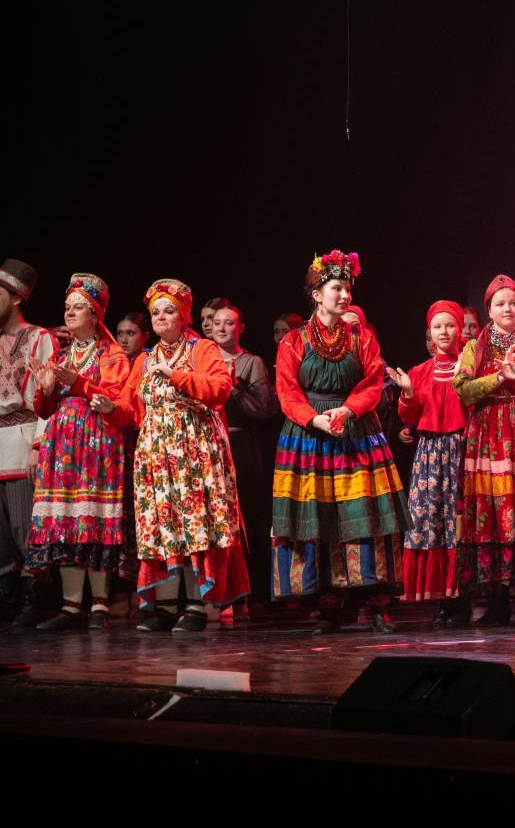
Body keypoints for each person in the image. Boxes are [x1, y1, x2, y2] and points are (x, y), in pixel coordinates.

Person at [271, 251, 408, 633]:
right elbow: (287, 390)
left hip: (356, 431)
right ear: (317, 295)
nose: (345, 295)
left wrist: (347, 411)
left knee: (364, 514)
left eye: (348, 289)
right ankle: (329, 604)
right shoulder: (293, 341)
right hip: (309, 436)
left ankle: (376, 603)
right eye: (337, 288)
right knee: (320, 518)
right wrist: (314, 418)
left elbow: (372, 384)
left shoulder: (361, 338)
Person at [106, 279, 251, 631]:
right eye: (155, 312)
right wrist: (108, 407)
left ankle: (199, 604)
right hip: (157, 454)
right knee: (165, 527)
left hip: (195, 451)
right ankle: (167, 606)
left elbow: (220, 388)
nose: (160, 317)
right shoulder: (145, 359)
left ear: (184, 316)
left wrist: (176, 375)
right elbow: (129, 406)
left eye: (168, 310)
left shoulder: (202, 349)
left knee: (195, 526)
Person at [22, 274, 130, 630]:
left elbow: (119, 400)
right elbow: (44, 410)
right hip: (61, 445)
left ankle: (99, 604)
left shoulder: (111, 354)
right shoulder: (61, 355)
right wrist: (46, 390)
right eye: (67, 307)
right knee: (65, 521)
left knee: (92, 520)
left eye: (78, 307)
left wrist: (79, 383)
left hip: (97, 444)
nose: (69, 312)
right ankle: (70, 606)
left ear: (95, 314)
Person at [453, 275, 515, 626]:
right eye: (500, 304)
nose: (508, 309)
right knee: (492, 513)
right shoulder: (473, 348)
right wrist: (499, 378)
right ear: (489, 310)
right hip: (488, 435)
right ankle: (498, 601)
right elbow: (462, 390)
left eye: (513, 303)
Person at [390, 300, 469, 624]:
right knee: (430, 522)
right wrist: (408, 393)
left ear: (459, 329)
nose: (444, 332)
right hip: (430, 456)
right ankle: (442, 600)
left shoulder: (469, 366)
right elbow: (408, 417)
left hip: (461, 451)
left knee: (458, 522)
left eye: (449, 325)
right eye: (437, 327)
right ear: (430, 332)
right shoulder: (419, 372)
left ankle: (462, 597)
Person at [1, 260, 58, 627]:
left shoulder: (39, 338)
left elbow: (48, 397)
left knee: (27, 526)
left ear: (16, 298)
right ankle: (6, 594)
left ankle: (36, 595)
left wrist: (39, 446)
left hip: (22, 439)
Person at [210, 302, 278, 603]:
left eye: (229, 323)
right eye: (217, 323)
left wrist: (234, 385)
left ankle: (254, 591)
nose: (221, 328)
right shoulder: (204, 359)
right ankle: (221, 590)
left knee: (248, 516)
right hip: (211, 446)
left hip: (242, 447)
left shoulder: (251, 362)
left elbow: (264, 410)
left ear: (241, 329)